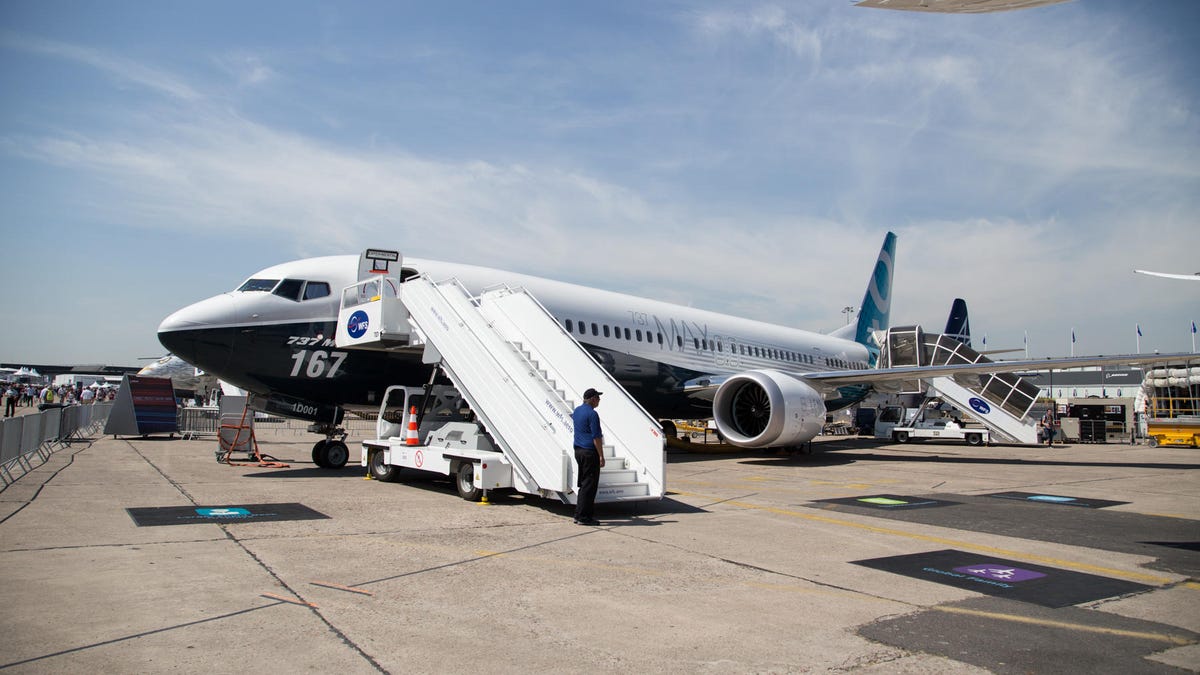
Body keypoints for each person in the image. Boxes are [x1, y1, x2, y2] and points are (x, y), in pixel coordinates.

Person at [571, 388, 605, 525]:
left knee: (584, 484)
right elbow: (596, 437)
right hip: (589, 452)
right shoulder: (592, 414)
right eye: (598, 398)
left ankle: (578, 515)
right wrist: (601, 456)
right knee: (589, 486)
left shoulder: (577, 411)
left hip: (578, 450)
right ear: (592, 399)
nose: (599, 401)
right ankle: (584, 517)